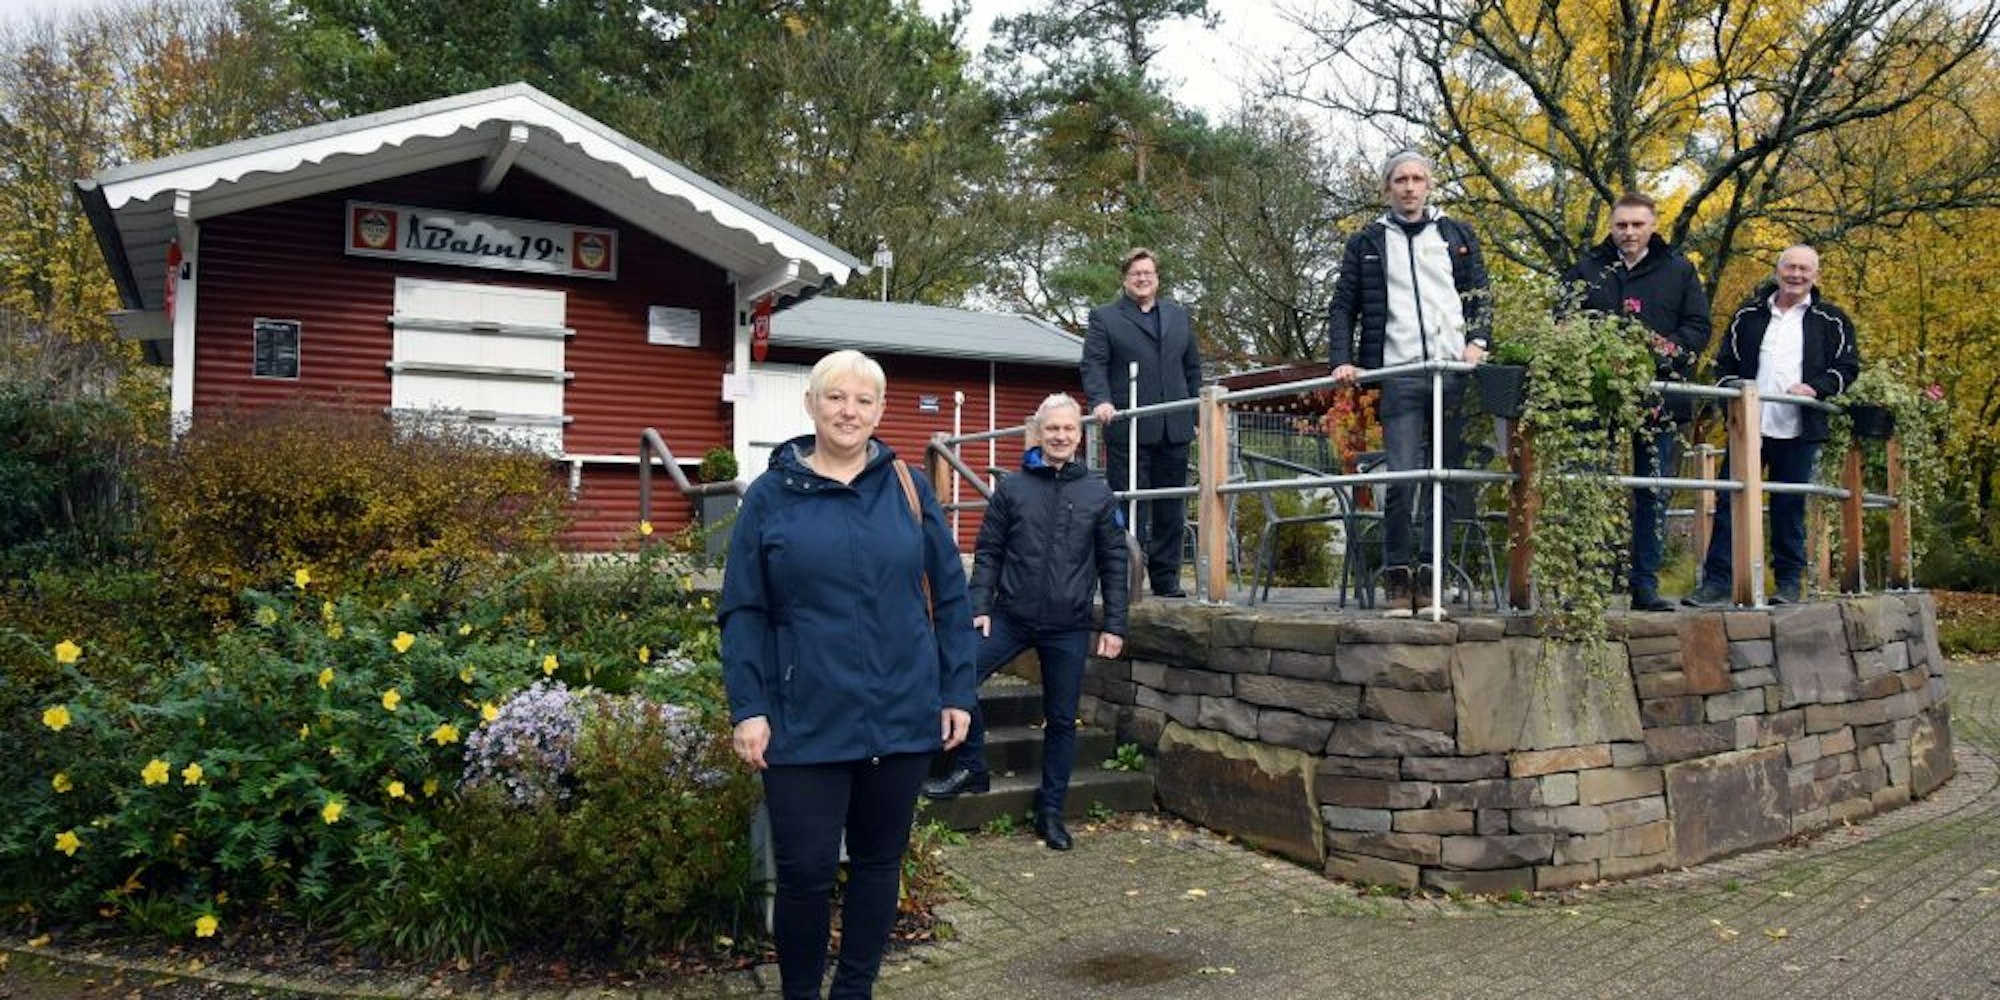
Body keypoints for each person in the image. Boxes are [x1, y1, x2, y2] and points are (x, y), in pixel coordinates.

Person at [718, 349, 977, 999]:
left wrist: (957, 691)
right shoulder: (771, 497)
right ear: (811, 404)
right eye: (835, 397)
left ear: (880, 410)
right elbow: (744, 609)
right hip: (803, 719)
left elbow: (951, 597)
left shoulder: (908, 489)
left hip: (902, 712)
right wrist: (749, 706)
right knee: (804, 873)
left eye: (863, 400)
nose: (849, 411)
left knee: (878, 864)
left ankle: (854, 991)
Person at [921, 393, 1130, 851]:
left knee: (1062, 719)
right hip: (1011, 617)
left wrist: (1115, 624)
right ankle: (971, 767)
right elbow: (989, 552)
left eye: (1068, 429)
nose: (1060, 436)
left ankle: (1051, 811)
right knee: (953, 673)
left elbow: (1115, 563)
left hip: (1069, 625)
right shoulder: (1012, 489)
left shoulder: (1097, 493)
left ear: (1079, 435)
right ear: (1039, 432)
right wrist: (979, 606)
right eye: (1052, 428)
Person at [1328, 150, 1492, 615]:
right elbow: (1343, 305)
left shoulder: (1456, 234)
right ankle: (1397, 577)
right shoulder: (1367, 242)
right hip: (1398, 374)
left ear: (1429, 185)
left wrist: (1478, 341)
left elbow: (1480, 294)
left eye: (1418, 178)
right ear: (1387, 188)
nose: (1409, 187)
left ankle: (1433, 575)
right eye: (1400, 179)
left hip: (1451, 374)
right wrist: (1342, 360)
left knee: (1445, 481)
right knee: (1401, 479)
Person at [1561, 192, 1713, 611]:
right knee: (1588, 485)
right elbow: (1563, 322)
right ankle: (1586, 585)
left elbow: (1698, 328)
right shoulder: (1587, 268)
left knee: (1653, 491)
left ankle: (1644, 585)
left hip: (1659, 394)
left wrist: (1656, 355)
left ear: (1653, 225)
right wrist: (1594, 355)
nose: (1629, 232)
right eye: (1622, 225)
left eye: (1637, 225)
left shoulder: (1679, 269)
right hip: (1596, 395)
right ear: (1611, 226)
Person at [1685, 246, 1860, 607]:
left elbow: (1847, 367)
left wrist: (1815, 388)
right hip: (1747, 427)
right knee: (1730, 501)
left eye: (1804, 269)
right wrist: (1732, 395)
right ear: (1778, 271)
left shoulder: (1832, 320)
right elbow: (1725, 364)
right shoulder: (1748, 315)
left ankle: (1789, 583)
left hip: (1799, 428)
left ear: (1816, 275)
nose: (1796, 274)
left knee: (1788, 505)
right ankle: (1718, 583)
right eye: (1790, 267)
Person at [1081, 248, 1203, 598]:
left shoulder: (1178, 316)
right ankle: (1123, 578)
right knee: (1128, 505)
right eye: (1136, 273)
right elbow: (1094, 365)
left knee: (1171, 508)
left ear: (1157, 278)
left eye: (1148, 273)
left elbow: (1192, 368)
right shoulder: (1105, 318)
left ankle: (1166, 579)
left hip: (1174, 428)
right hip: (1130, 427)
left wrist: (1195, 415)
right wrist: (1101, 401)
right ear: (1125, 279)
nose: (1142, 278)